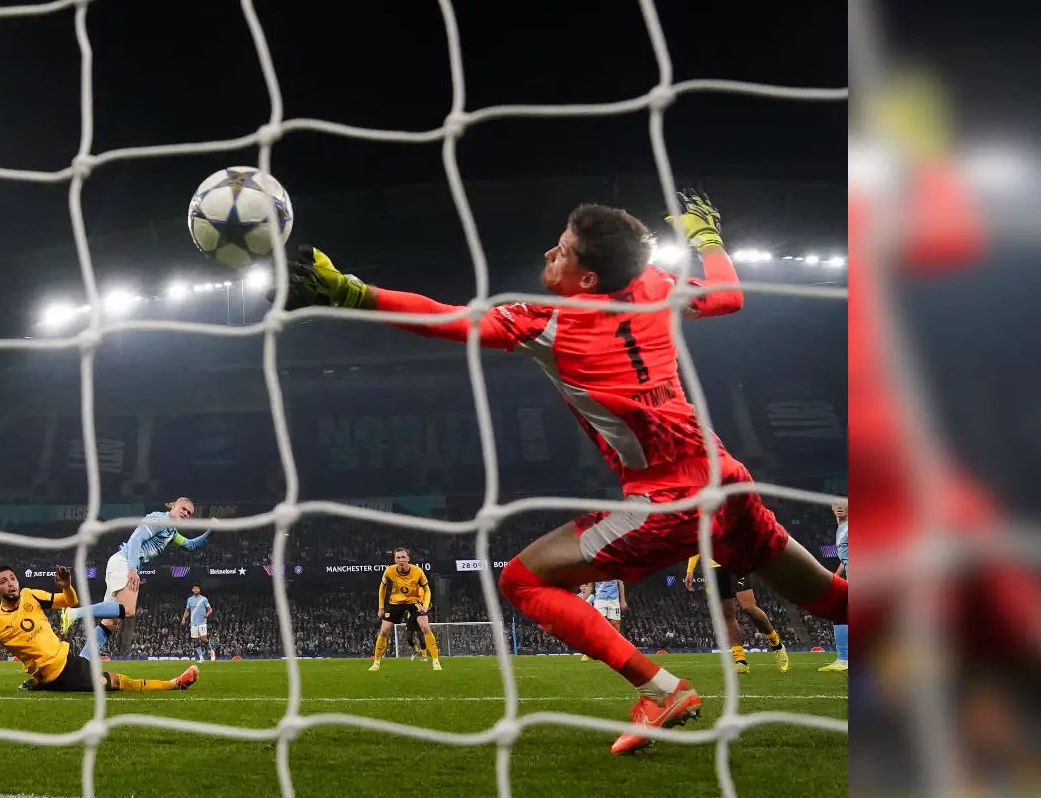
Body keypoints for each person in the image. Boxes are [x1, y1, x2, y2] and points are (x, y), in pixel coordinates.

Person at [272, 190, 846, 754]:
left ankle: (662, 690)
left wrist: (352, 292)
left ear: (588, 279)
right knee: (833, 600)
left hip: (669, 499)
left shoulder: (549, 322)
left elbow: (447, 320)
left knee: (522, 580)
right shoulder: (654, 286)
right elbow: (728, 297)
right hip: (727, 477)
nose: (550, 252)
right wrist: (706, 238)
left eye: (564, 250)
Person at [0, 566, 197, 694]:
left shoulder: (30, 595)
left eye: (12, 578)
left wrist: (67, 587)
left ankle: (38, 683)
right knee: (116, 682)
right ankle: (174, 684)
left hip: (67, 659)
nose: (11, 583)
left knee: (104, 632)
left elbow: (69, 601)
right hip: (60, 673)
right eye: (3, 581)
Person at [60, 497, 211, 655]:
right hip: (124, 563)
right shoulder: (158, 519)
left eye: (189, 513)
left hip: (124, 565)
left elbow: (191, 545)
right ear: (173, 506)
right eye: (183, 508)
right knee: (128, 610)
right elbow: (136, 539)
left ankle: (83, 659)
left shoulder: (172, 532)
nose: (186, 513)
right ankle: (73, 613)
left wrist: (210, 531)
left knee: (111, 623)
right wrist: (132, 569)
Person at [685, 554, 790, 673]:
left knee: (748, 607)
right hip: (713, 568)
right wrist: (690, 570)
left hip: (736, 562)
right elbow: (696, 545)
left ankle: (777, 645)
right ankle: (741, 661)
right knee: (727, 614)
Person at [370, 548, 440, 671]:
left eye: (403, 557)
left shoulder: (417, 571)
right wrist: (381, 607)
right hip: (396, 602)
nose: (401, 560)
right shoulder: (389, 571)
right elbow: (382, 588)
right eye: (398, 557)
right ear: (395, 560)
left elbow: (427, 589)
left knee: (425, 627)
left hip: (414, 602)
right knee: (384, 630)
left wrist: (425, 606)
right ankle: (376, 662)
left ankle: (436, 661)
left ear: (408, 559)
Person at [820, 503, 849, 672]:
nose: (839, 507)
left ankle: (844, 659)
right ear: (832, 508)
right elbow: (845, 560)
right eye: (836, 504)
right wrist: (835, 577)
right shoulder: (841, 529)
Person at [183, 584, 214, 662]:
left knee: (203, 638)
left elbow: (210, 609)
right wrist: (183, 618)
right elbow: (187, 610)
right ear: (192, 590)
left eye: (197, 588)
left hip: (202, 622)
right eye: (194, 588)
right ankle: (201, 658)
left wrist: (207, 614)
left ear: (199, 590)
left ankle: (211, 651)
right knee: (196, 640)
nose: (196, 589)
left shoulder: (204, 599)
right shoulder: (189, 599)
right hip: (193, 623)